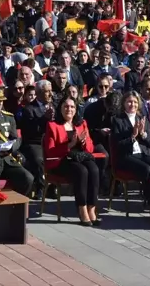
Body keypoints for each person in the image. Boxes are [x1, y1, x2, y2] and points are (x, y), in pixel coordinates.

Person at [44, 96, 100, 226]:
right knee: (82, 171)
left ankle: (91, 208)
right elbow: (50, 151)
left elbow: (90, 148)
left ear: (76, 109)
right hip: (61, 160)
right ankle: (82, 209)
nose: (69, 109)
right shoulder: (52, 125)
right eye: (66, 106)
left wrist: (82, 141)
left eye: (72, 106)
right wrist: (70, 144)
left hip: (80, 156)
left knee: (94, 169)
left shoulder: (81, 123)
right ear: (61, 108)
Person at [111, 91, 150, 206]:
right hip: (126, 156)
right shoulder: (117, 120)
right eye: (129, 102)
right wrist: (133, 136)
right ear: (124, 103)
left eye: (135, 102)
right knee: (147, 169)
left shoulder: (142, 118)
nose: (132, 104)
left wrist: (143, 133)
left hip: (142, 153)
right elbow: (118, 145)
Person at [18, 79, 54, 199]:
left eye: (51, 91)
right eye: (47, 91)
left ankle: (53, 187)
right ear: (38, 93)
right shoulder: (29, 109)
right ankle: (41, 188)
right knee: (39, 160)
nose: (50, 94)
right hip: (34, 142)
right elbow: (29, 131)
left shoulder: (53, 106)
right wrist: (44, 118)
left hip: (51, 141)